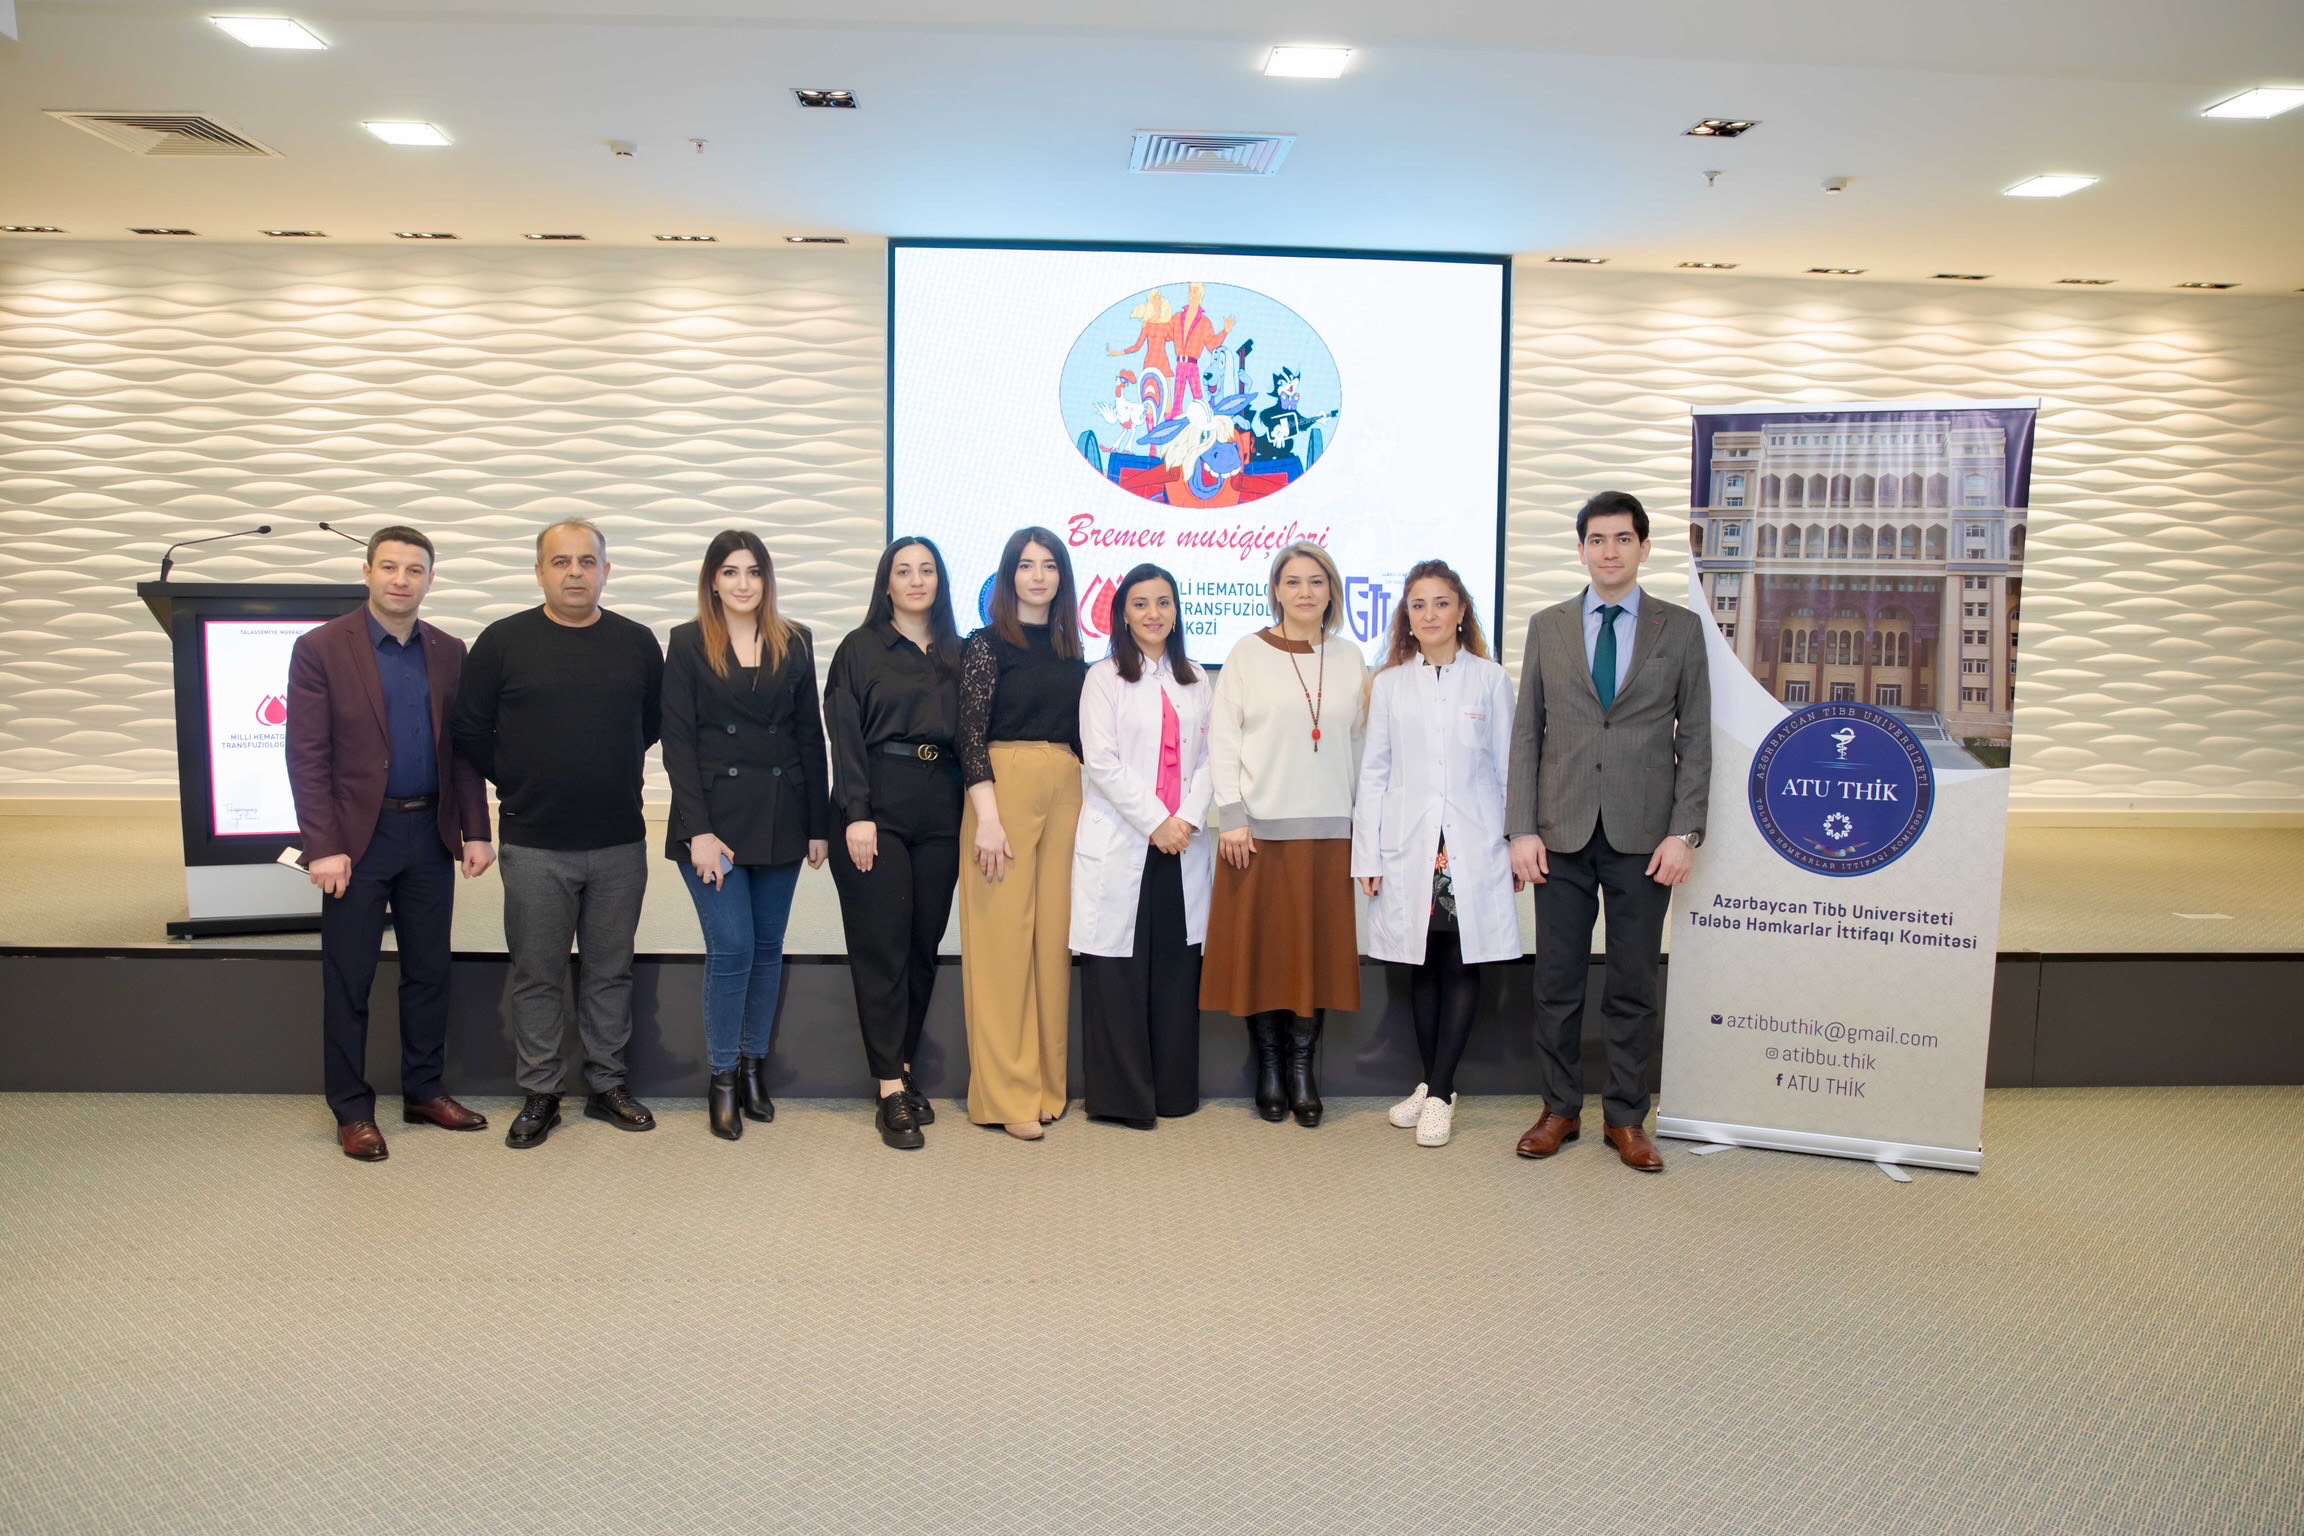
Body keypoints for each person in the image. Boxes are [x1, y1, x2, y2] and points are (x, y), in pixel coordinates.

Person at [1507, 491, 1712, 1172]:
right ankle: (1559, 1109)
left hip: (1644, 836)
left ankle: (1626, 1117)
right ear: (1581, 550)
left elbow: (1697, 737)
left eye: (1623, 539)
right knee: (1556, 981)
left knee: (1632, 983)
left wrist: (1685, 832)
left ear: (1644, 548)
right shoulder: (1548, 626)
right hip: (1559, 833)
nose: (1610, 551)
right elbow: (1527, 734)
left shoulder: (1680, 630)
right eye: (1597, 540)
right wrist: (1520, 829)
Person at [450, 518, 664, 1150]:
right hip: (534, 843)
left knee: (610, 971)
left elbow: (652, 723)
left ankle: (606, 1084)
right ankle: (541, 1090)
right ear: (540, 571)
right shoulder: (502, 642)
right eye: (561, 562)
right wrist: (518, 778)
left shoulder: (636, 643)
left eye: (587, 561)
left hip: (619, 841)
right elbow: (470, 729)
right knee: (537, 973)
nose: (575, 573)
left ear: (606, 570)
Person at [285, 525, 495, 1163]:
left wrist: (476, 830)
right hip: (356, 841)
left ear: (431, 578)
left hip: (429, 833)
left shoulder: (450, 651)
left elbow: (461, 752)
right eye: (389, 567)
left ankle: (424, 1091)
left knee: (429, 971)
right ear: (367, 572)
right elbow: (307, 755)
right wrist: (323, 844)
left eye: (414, 570)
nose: (401, 580)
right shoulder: (321, 648)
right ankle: (352, 1109)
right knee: (349, 977)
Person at [662, 530, 831, 1142]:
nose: (742, 583)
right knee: (731, 946)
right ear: (713, 580)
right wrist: (700, 833)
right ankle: (723, 1077)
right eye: (730, 571)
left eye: (753, 571)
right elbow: (678, 743)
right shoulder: (687, 641)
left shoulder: (795, 640)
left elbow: (809, 735)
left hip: (783, 814)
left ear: (767, 579)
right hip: (713, 824)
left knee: (765, 947)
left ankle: (755, 1065)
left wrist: (818, 825)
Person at [1351, 560, 1518, 1148]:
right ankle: (1432, 1085)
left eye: (1441, 603)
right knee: (1419, 964)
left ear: (1461, 610)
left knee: (1462, 961)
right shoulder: (1390, 685)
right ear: (1407, 615)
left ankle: (1441, 1093)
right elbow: (1374, 774)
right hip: (1410, 846)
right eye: (1418, 604)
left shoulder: (1491, 681)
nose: (1429, 614)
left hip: (1472, 844)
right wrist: (1367, 856)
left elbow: (1507, 770)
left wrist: (1515, 844)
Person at [1200, 540, 1367, 1127]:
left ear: (1332, 591)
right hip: (1258, 834)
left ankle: (1302, 1070)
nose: (1304, 592)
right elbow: (1223, 738)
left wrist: (1365, 825)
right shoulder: (1247, 653)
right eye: (1293, 582)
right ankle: (1269, 1069)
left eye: (1316, 581)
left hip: (1329, 835)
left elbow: (1360, 747)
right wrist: (1232, 815)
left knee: (1313, 957)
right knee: (1264, 956)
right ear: (1275, 590)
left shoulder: (1350, 658)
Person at [824, 536, 965, 1151]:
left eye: (926, 570)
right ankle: (887, 1088)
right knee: (881, 947)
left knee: (921, 946)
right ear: (886, 583)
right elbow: (844, 733)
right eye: (903, 570)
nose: (915, 580)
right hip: (876, 803)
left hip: (942, 804)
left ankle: (902, 1066)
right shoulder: (860, 649)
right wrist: (857, 812)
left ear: (940, 581)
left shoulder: (960, 652)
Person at [957, 527, 1089, 1140]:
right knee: (1003, 945)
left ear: (1062, 577)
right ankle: (1006, 1094)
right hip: (1001, 793)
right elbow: (969, 734)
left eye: (1050, 565)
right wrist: (987, 817)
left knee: (1052, 943)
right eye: (1027, 565)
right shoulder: (986, 645)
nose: (1038, 576)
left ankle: (1046, 1088)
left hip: (1067, 787)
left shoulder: (1073, 651)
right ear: (1008, 576)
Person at [1072, 563, 1215, 1130]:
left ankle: (1174, 1093)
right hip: (1125, 837)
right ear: (1123, 615)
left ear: (1176, 612)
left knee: (1177, 969)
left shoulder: (1196, 677)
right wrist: (1157, 821)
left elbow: (1212, 758)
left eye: (1163, 602)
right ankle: (1122, 1098)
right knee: (1118, 970)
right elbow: (1101, 761)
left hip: (1182, 843)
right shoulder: (1103, 677)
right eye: (1140, 603)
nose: (1153, 613)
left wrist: (1186, 819)